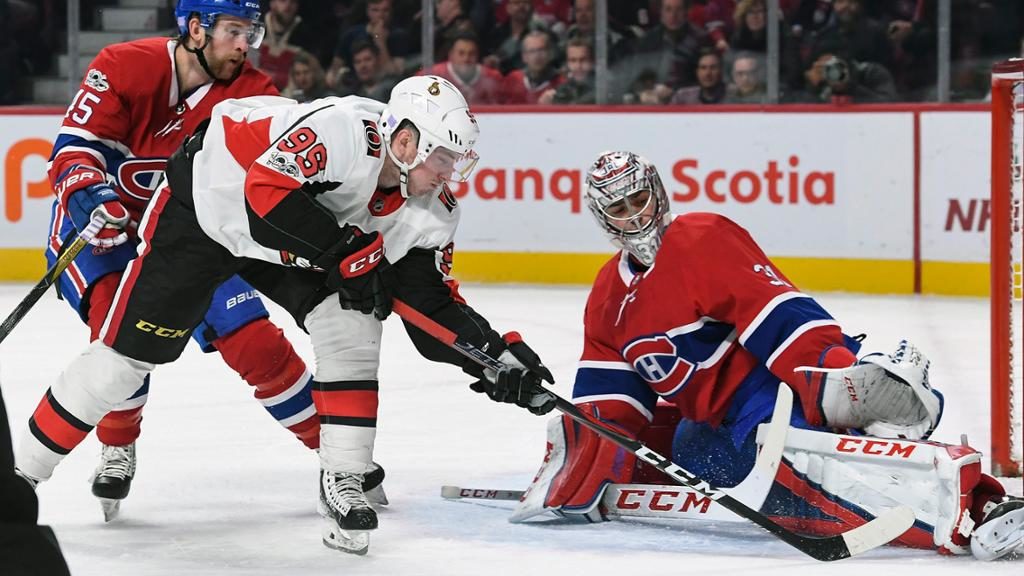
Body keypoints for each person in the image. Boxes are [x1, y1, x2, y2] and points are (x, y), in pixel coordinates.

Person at [15, 75, 555, 556]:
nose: (450, 175)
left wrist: (495, 358)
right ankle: (18, 476)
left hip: (293, 239)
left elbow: (430, 306)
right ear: (407, 142)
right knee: (124, 361)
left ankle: (342, 477)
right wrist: (344, 251)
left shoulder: (432, 211)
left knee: (353, 324)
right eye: (444, 159)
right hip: (210, 209)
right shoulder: (343, 131)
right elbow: (264, 194)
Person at [512, 150, 1024, 560]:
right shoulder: (606, 297)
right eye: (619, 208)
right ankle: (880, 430)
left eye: (639, 198)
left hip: (769, 394)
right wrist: (582, 452)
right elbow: (611, 400)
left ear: (658, 192)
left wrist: (826, 372)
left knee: (806, 467)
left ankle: (972, 507)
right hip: (708, 425)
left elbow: (776, 312)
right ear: (603, 217)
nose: (635, 214)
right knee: (715, 459)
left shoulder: (699, 239)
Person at [16, 0, 323, 522]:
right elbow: (72, 147)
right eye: (233, 30)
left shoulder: (255, 95)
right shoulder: (124, 64)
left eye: (251, 31)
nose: (245, 44)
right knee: (115, 333)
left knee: (254, 340)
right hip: (103, 231)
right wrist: (90, 196)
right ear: (196, 28)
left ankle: (339, 458)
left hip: (189, 238)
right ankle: (116, 444)